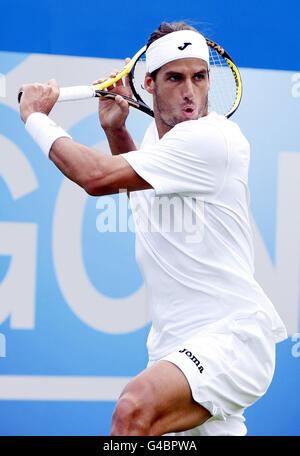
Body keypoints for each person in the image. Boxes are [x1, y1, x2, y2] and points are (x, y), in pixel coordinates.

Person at [19, 21, 287, 436]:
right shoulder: (155, 144)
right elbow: (145, 206)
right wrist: (115, 129)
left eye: (199, 77)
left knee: (132, 411)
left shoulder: (214, 138)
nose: (189, 93)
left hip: (233, 338)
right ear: (150, 83)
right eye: (175, 78)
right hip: (175, 346)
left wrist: (35, 118)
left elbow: (94, 178)